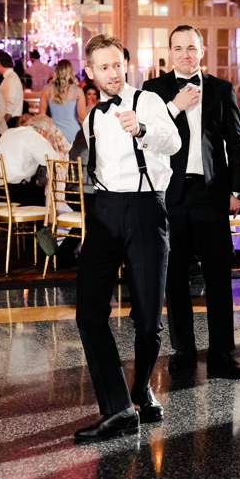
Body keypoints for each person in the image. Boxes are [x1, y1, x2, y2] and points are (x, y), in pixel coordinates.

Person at [73, 34, 181, 443]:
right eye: (104, 67)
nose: (113, 73)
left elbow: (174, 143)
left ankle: (141, 390)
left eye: (118, 64)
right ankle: (118, 408)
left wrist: (145, 130)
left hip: (145, 209)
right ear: (91, 72)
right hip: (103, 212)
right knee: (88, 312)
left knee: (148, 316)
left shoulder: (148, 100)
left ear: (125, 64)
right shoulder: (93, 116)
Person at [142, 25, 240, 380]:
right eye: (178, 48)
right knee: (174, 277)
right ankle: (184, 349)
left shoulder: (220, 89)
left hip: (210, 194)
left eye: (191, 47)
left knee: (219, 276)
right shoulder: (154, 91)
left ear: (202, 51)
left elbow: (236, 144)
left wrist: (237, 191)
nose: (185, 54)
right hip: (170, 195)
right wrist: (174, 107)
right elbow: (146, 137)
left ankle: (222, 352)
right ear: (169, 52)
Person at [0, 120, 63, 206]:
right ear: (42, 131)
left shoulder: (10, 131)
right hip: (8, 191)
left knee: (33, 188)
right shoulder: (35, 137)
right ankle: (38, 219)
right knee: (41, 195)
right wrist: (60, 155)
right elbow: (52, 160)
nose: (48, 139)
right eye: (49, 136)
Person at [38, 59, 88, 142]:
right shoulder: (78, 91)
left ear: (56, 71)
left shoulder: (46, 90)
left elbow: (41, 115)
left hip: (54, 132)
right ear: (71, 72)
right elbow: (82, 117)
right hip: (73, 132)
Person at [0, 50, 25, 128]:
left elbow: (9, 106)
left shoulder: (11, 79)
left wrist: (1, 124)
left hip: (11, 121)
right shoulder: (9, 77)